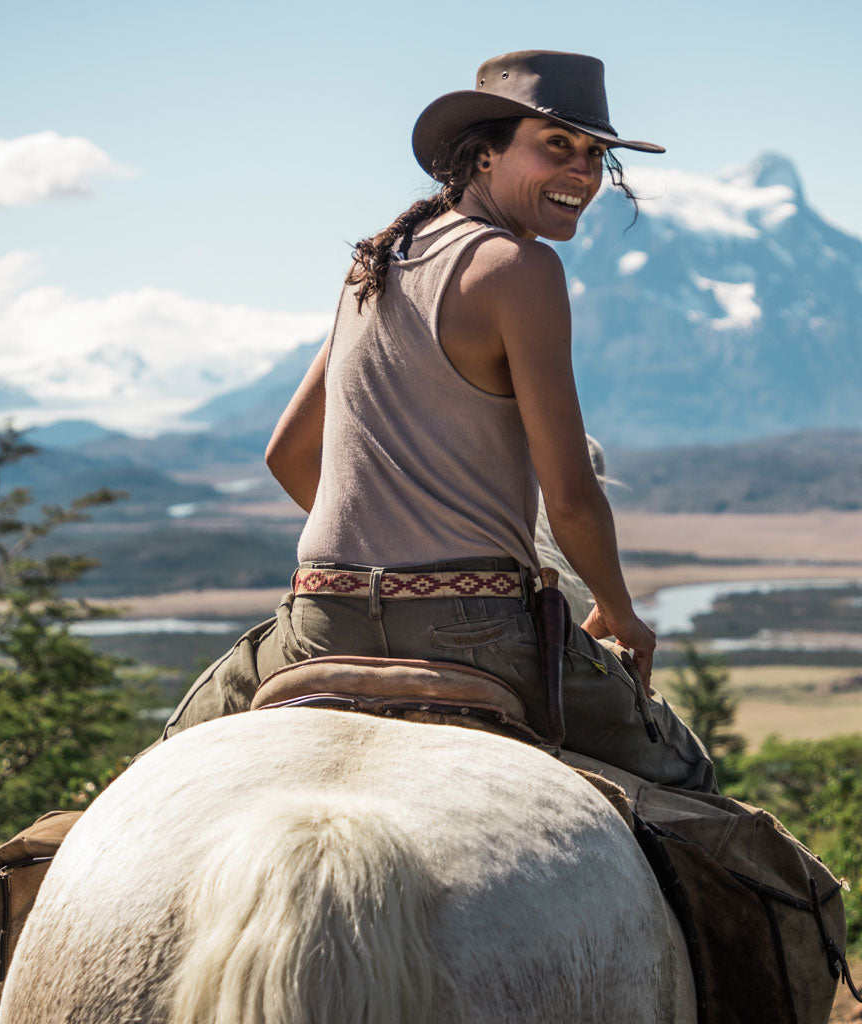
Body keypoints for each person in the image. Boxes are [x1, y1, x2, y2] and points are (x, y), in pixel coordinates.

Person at [155, 50, 716, 792]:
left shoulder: (374, 266)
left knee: (151, 780)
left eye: (594, 155)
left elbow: (287, 456)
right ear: (483, 154)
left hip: (321, 616)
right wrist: (620, 613)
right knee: (690, 785)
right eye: (556, 146)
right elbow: (573, 497)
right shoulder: (521, 268)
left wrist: (378, 551)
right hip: (479, 627)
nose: (582, 174)